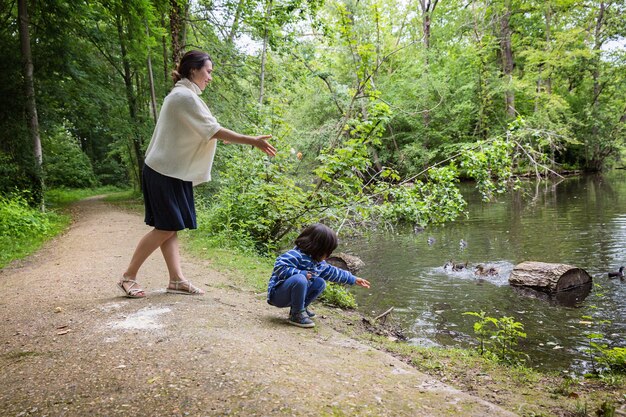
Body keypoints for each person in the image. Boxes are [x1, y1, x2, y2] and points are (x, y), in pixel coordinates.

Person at [117, 50, 276, 298]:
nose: (210, 78)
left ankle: (176, 280)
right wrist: (252, 141)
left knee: (170, 226)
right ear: (193, 70)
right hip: (163, 170)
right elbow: (213, 131)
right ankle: (128, 277)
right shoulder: (183, 97)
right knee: (166, 227)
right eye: (208, 71)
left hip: (172, 171)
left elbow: (208, 130)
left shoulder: (186, 95)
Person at [267, 223, 371, 328]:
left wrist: (353, 279)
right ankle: (297, 314)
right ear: (316, 248)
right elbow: (280, 268)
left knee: (320, 282)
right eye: (327, 252)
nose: (328, 255)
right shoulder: (295, 255)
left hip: (292, 296)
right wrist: (301, 273)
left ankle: (300, 308)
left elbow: (332, 272)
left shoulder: (318, 263)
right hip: (278, 295)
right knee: (300, 279)